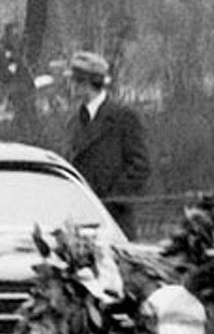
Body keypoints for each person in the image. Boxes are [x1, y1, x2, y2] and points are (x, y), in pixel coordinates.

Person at [63, 50, 151, 235]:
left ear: (88, 83)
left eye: (75, 80)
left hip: (115, 220)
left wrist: (113, 199)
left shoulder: (124, 117)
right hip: (82, 220)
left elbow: (140, 166)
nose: (71, 86)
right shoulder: (73, 121)